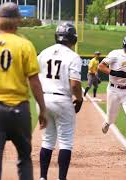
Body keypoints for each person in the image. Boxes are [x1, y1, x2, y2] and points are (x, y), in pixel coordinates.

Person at [0, 3, 47, 180]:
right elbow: (34, 81)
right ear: (17, 21)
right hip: (19, 110)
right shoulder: (25, 45)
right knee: (24, 159)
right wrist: (42, 109)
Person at [37, 23, 83, 180]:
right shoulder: (73, 56)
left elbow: (34, 76)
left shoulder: (43, 53)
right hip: (62, 99)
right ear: (73, 39)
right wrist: (79, 98)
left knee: (48, 140)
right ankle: (61, 178)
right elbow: (75, 84)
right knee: (65, 142)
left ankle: (43, 177)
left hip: (43, 98)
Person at [98, 35, 126, 156]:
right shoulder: (115, 54)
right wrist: (115, 73)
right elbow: (101, 66)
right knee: (111, 118)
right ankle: (108, 122)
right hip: (114, 90)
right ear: (125, 45)